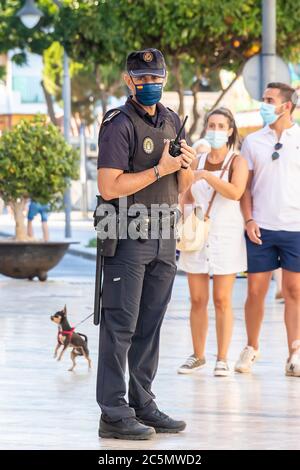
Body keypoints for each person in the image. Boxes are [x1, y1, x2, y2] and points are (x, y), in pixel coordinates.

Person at [96, 48, 196, 440]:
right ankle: (113, 412)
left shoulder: (172, 120)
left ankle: (142, 403)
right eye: (142, 78)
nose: (150, 85)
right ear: (128, 80)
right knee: (120, 327)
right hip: (128, 237)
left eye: (156, 78)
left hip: (164, 236)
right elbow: (109, 186)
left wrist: (184, 165)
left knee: (150, 326)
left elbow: (181, 186)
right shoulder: (118, 124)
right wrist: (160, 168)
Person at [235, 82, 300, 377]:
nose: (263, 104)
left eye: (269, 100)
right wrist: (248, 219)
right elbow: (245, 188)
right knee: (255, 291)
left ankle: (295, 352)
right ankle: (251, 347)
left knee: (294, 291)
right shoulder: (252, 142)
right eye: (263, 98)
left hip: (295, 229)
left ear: (286, 106)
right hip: (260, 227)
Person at [177, 107, 248, 376]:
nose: (215, 130)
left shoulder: (236, 161)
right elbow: (185, 192)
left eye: (221, 126)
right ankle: (197, 355)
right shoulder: (197, 159)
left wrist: (206, 176)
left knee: (221, 299)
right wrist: (182, 219)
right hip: (197, 236)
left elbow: (235, 192)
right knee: (197, 299)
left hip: (226, 236)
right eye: (211, 125)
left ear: (230, 131)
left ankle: (222, 357)